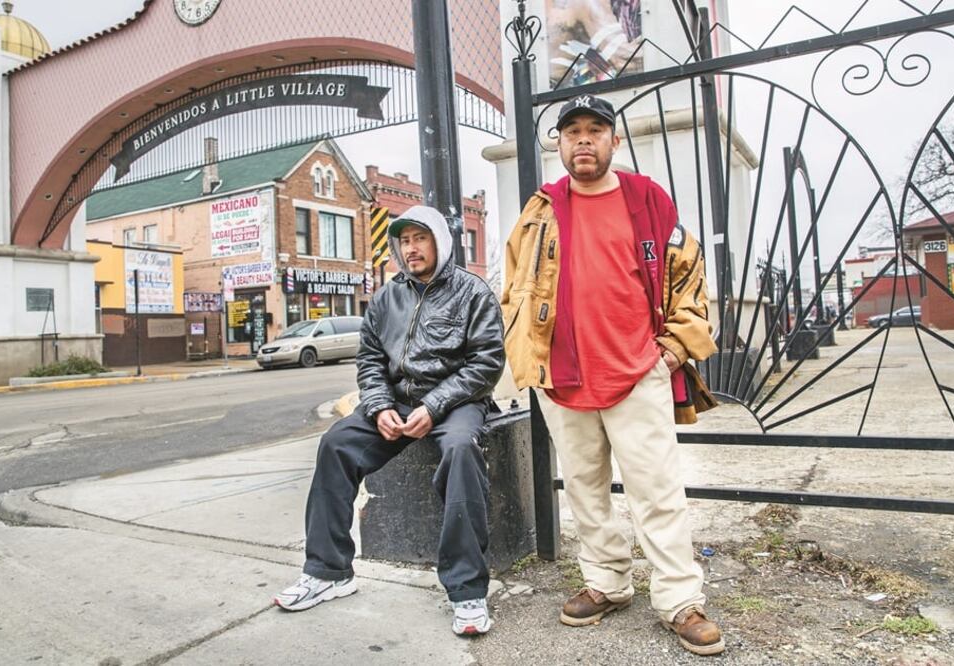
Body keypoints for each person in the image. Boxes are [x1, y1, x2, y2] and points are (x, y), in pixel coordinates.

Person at [501, 94, 724, 656]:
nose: (583, 139)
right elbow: (513, 290)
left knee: (657, 491)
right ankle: (607, 581)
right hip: (564, 378)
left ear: (613, 141)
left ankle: (679, 599)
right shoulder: (540, 211)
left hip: (636, 373)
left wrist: (673, 350)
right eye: (571, 130)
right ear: (559, 142)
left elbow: (689, 275)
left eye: (595, 130)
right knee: (585, 490)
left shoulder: (647, 200)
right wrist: (530, 354)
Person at [274, 205, 505, 637]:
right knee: (336, 443)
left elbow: (486, 363)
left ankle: (467, 590)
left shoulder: (473, 293)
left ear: (440, 240)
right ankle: (329, 572)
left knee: (459, 451)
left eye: (420, 238)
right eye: (405, 241)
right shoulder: (386, 296)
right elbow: (370, 360)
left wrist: (434, 406)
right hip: (395, 403)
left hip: (458, 403)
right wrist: (379, 407)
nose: (412, 248)